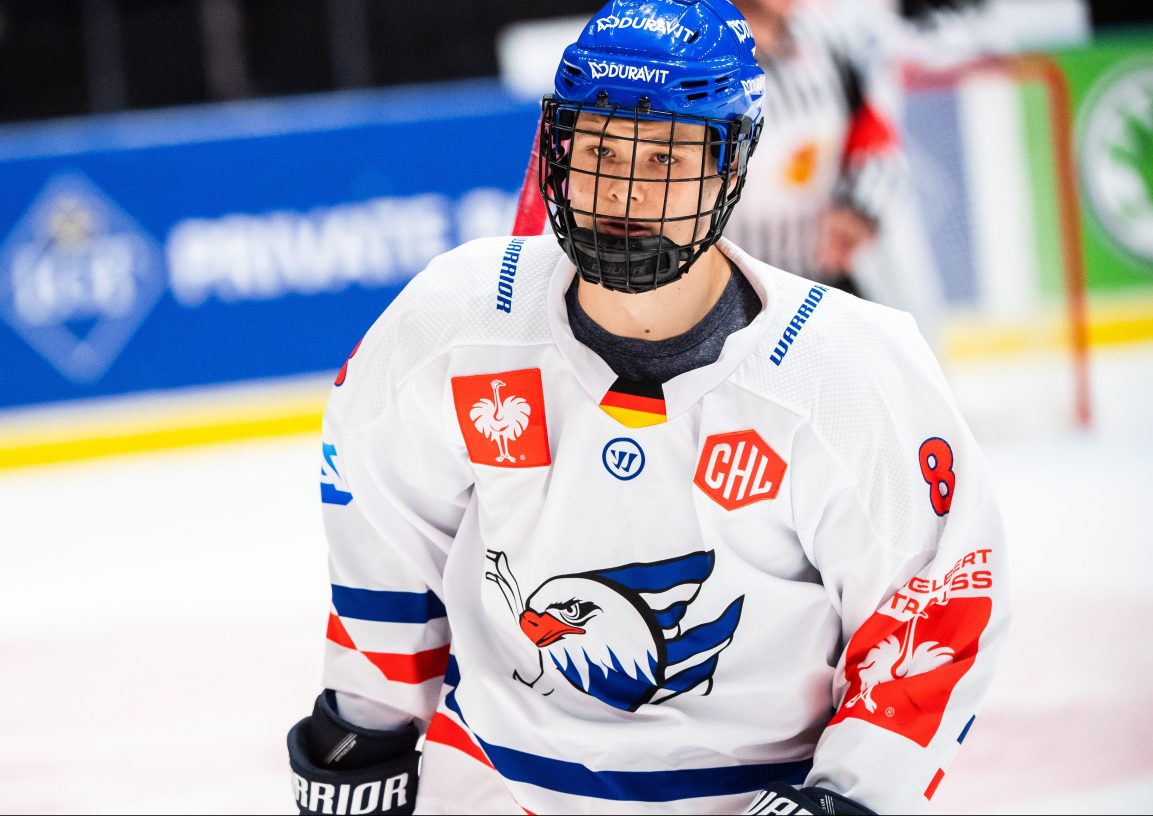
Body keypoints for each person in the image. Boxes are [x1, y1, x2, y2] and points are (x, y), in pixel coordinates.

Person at [286, 1, 1009, 814]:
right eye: (597, 147)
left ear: (732, 163)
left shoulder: (850, 374)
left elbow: (935, 609)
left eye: (665, 157)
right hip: (495, 782)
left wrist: (847, 797)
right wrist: (367, 730)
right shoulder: (453, 324)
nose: (621, 189)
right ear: (555, 150)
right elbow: (385, 539)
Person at [725, 0, 946, 349]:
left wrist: (859, 210)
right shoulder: (689, 50)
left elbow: (874, 137)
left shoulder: (825, 39)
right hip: (719, 302)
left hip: (818, 287)